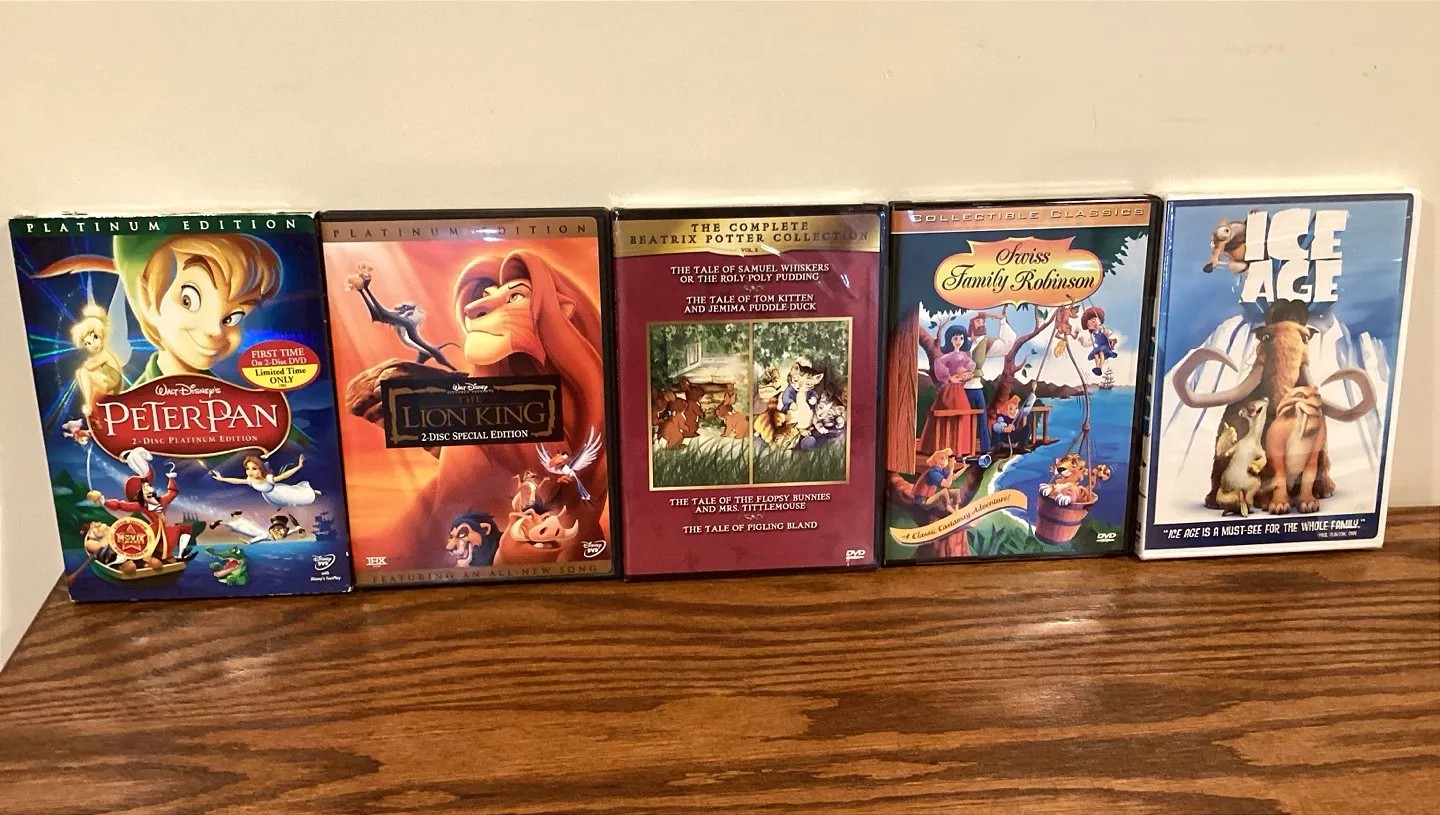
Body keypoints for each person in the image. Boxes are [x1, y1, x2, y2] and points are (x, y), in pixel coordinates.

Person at [210, 455, 320, 507]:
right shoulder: (250, 480)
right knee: (289, 503)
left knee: (299, 498)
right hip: (270, 496)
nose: (250, 472)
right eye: (247, 469)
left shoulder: (268, 479)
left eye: (254, 469)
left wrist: (298, 466)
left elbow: (284, 476)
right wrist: (222, 478)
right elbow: (237, 481)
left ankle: (312, 492)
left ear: (261, 469)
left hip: (280, 492)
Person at [1077, 306, 1118, 376]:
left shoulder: (1102, 330)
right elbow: (1089, 343)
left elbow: (1109, 332)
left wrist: (1107, 333)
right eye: (1089, 324)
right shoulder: (1093, 334)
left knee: (1101, 353)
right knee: (1096, 355)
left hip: (1104, 346)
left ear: (1100, 321)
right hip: (1098, 347)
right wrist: (1082, 342)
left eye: (1094, 321)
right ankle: (1097, 368)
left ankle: (1100, 367)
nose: (1094, 323)